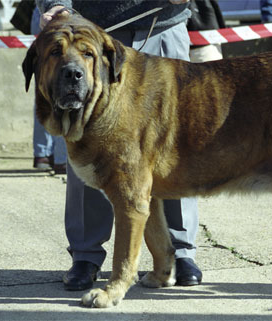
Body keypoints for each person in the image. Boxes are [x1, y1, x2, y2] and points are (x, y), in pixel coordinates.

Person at [36, 0, 202, 291]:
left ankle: (179, 252)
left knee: (176, 148)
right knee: (84, 143)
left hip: (162, 26)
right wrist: (56, 4)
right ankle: (86, 255)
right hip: (90, 36)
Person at [31, 6, 67, 174]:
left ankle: (43, 154)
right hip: (64, 13)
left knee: (45, 89)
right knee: (65, 91)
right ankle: (62, 159)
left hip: (43, 12)